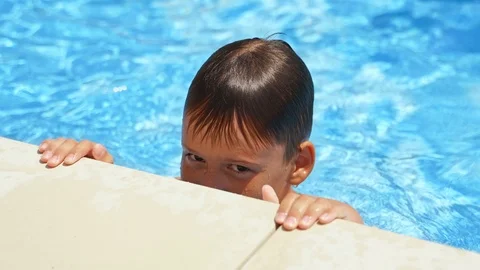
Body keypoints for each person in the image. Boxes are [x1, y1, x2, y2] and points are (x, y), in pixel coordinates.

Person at [37, 37, 363, 230]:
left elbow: (362, 248)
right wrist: (95, 174)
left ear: (298, 163)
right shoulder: (178, 191)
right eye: (194, 157)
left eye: (238, 169)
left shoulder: (305, 218)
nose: (209, 186)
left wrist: (341, 222)